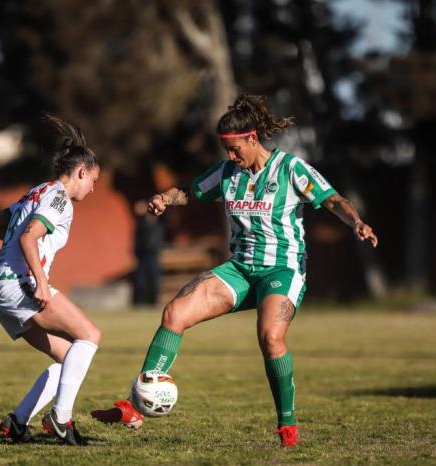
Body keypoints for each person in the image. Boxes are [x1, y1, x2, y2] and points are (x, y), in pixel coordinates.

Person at [90, 94, 378, 447]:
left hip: (282, 269)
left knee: (271, 337)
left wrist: (357, 223)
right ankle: (135, 407)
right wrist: (165, 198)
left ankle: (287, 426)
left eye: (235, 148)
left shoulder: (290, 168)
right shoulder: (228, 173)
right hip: (240, 269)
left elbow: (332, 198)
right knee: (175, 313)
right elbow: (190, 192)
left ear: (253, 139)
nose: (230, 156)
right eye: (225, 149)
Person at [0, 114, 102, 446]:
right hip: (19, 284)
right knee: (90, 335)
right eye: (94, 180)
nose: (94, 188)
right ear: (81, 172)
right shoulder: (60, 198)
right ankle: (61, 420)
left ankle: (18, 423)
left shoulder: (36, 192)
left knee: (68, 357)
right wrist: (41, 281)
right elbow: (29, 237)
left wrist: (16, 249)